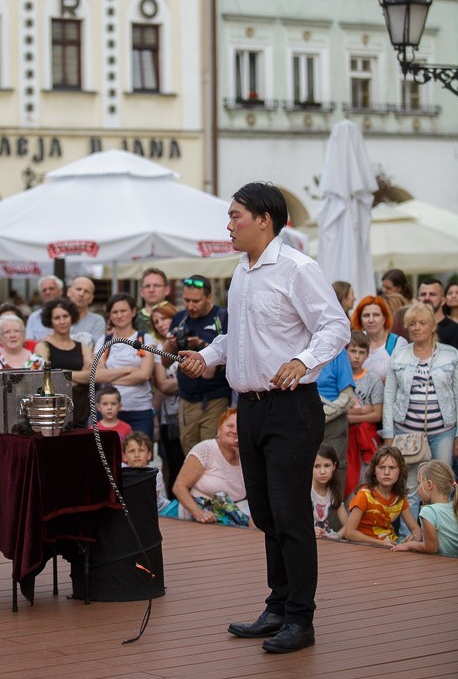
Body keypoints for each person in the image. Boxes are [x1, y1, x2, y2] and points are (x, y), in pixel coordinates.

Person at [181, 182, 350, 654]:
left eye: (236, 215)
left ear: (264, 220)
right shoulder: (242, 271)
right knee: (266, 513)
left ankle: (301, 619)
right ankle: (278, 607)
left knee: (290, 514)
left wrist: (304, 361)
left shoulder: (298, 267)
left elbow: (336, 325)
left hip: (292, 408)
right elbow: (241, 336)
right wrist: (209, 357)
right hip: (250, 407)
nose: (229, 224)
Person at [381, 302, 458, 518]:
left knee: (442, 484)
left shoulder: (451, 355)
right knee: (409, 486)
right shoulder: (398, 356)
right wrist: (388, 434)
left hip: (443, 430)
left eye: (422, 323)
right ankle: (410, 535)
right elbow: (388, 397)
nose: (416, 328)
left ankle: (442, 534)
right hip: (406, 431)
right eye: (412, 324)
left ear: (433, 325)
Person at [162, 275, 229, 455]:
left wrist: (201, 345)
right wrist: (171, 343)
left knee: (213, 453)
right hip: (186, 399)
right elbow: (165, 361)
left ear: (209, 298)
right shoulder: (180, 318)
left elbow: (230, 355)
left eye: (196, 301)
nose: (190, 306)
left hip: (216, 398)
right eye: (186, 300)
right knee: (190, 454)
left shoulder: (223, 318)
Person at [169, 407, 249, 526]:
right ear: (219, 429)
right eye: (230, 426)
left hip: (238, 518)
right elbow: (179, 487)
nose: (235, 430)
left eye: (239, 427)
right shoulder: (206, 448)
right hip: (202, 520)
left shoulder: (247, 455)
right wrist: (199, 513)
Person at [95, 293, 155, 438]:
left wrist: (109, 377)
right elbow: (96, 376)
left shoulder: (145, 339)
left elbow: (144, 375)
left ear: (133, 312)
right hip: (107, 411)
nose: (119, 315)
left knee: (139, 457)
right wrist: (129, 370)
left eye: (123, 311)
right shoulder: (103, 342)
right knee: (108, 458)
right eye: (115, 312)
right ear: (109, 315)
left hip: (140, 411)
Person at [344, 445, 421, 548]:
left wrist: (414, 537)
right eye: (381, 467)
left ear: (400, 471)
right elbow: (349, 532)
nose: (386, 472)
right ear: (374, 471)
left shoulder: (399, 498)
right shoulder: (364, 494)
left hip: (390, 543)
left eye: (392, 468)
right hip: (364, 546)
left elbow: (416, 529)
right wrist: (379, 543)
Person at [33, 297, 94, 424]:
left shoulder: (83, 346)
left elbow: (89, 376)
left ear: (72, 317)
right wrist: (78, 378)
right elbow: (46, 378)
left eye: (65, 316)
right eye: (57, 318)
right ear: (50, 321)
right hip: (52, 412)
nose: (62, 321)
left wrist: (59, 373)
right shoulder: (42, 346)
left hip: (80, 411)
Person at [391, 460, 458, 557]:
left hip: (441, 563)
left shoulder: (428, 511)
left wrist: (409, 544)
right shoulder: (456, 507)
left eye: (419, 483)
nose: (417, 489)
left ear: (429, 485)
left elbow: (432, 548)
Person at [150, 303, 184, 495]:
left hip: (190, 410)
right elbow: (162, 384)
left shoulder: (188, 342)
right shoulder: (158, 349)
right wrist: (190, 380)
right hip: (169, 417)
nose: (161, 324)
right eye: (156, 322)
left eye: (164, 318)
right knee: (171, 462)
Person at [345, 331, 383, 498]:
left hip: (366, 437)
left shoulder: (373, 379)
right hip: (345, 437)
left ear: (367, 355)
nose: (356, 357)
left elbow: (377, 415)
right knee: (346, 478)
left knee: (366, 478)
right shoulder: (340, 377)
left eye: (361, 352)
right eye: (353, 351)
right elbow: (337, 412)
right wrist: (362, 410)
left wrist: (351, 417)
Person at [315, 348, 354, 496]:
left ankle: (334, 517)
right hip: (302, 423)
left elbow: (347, 396)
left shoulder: (338, 352)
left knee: (334, 472)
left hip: (333, 424)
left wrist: (322, 415)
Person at [351, 296, 406, 381]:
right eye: (366, 315)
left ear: (384, 318)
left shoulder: (397, 343)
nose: (371, 320)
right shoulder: (354, 342)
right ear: (360, 320)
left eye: (376, 315)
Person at [311, 444, 348, 539]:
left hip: (327, 540)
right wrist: (309, 530)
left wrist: (337, 536)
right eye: (317, 466)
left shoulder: (333, 491)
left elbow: (348, 525)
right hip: (307, 538)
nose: (322, 471)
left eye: (327, 465)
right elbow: (291, 520)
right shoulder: (305, 490)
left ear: (334, 466)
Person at [418, 278, 458, 352]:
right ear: (418, 299)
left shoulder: (456, 330)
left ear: (443, 301)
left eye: (432, 294)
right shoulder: (412, 328)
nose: (426, 298)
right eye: (423, 294)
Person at [67, 276, 106, 347]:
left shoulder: (97, 321)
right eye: (78, 289)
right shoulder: (57, 318)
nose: (81, 294)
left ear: (91, 298)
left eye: (86, 291)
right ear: (69, 292)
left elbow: (95, 349)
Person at [25, 276, 64, 341]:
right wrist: (42, 343)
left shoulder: (69, 314)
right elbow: (28, 343)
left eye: (51, 289)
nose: (47, 292)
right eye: (44, 290)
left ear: (60, 291)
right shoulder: (34, 317)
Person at [136, 268, 171, 335]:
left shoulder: (176, 316)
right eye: (147, 286)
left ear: (167, 290)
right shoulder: (133, 319)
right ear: (141, 292)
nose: (151, 290)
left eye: (156, 285)